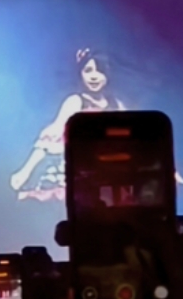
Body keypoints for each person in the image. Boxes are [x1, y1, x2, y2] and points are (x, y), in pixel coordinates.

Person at [8, 49, 122, 199]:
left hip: (106, 169)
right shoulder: (75, 102)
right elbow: (52, 137)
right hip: (76, 170)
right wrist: (25, 171)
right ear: (80, 74)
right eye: (88, 71)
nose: (94, 76)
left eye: (99, 71)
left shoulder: (116, 105)